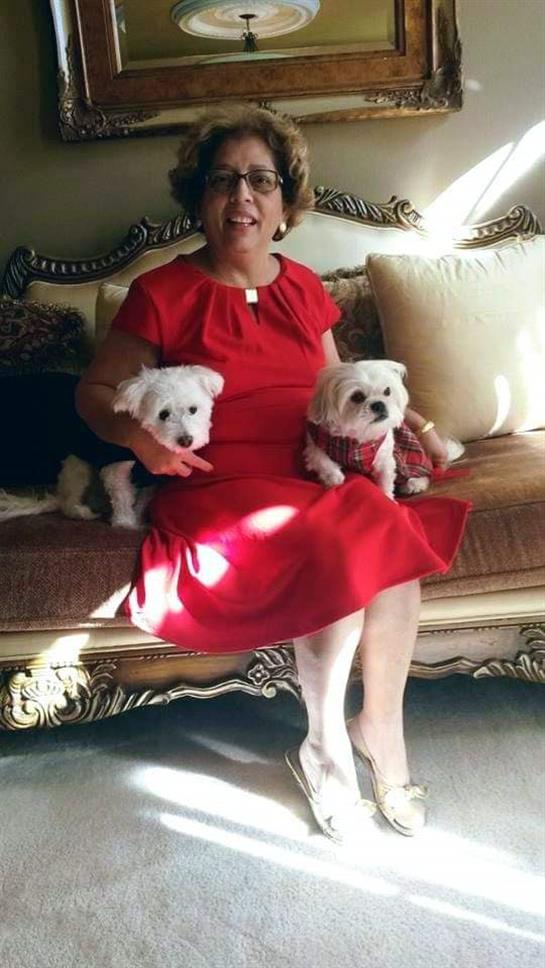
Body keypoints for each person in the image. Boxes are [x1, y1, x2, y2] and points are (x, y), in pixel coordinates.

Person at [76, 104, 470, 843]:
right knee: (336, 537)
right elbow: (94, 394)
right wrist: (146, 443)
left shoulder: (301, 286)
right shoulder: (162, 292)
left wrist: (411, 428)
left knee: (383, 527)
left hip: (309, 467)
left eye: (260, 180)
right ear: (198, 197)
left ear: (286, 200)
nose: (242, 198)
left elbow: (338, 386)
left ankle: (377, 732)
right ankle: (322, 747)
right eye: (223, 181)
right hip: (218, 482)